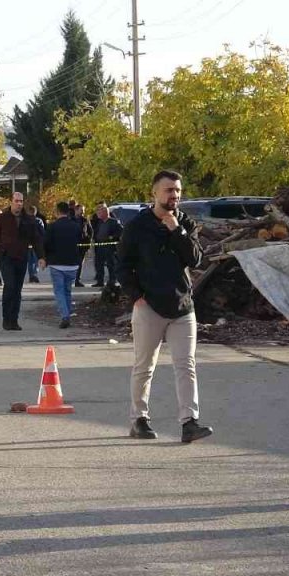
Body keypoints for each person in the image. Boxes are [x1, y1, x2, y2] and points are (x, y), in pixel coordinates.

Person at [118, 171, 213, 444]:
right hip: (149, 306)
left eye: (178, 190)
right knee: (145, 366)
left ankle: (189, 422)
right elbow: (123, 265)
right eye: (169, 190)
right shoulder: (137, 226)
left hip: (182, 306)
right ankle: (139, 420)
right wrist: (136, 295)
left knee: (187, 365)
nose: (175, 195)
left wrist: (176, 230)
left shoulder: (185, 223)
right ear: (155, 193)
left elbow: (194, 259)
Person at [0, 192, 44, 331]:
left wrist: (41, 257)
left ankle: (14, 320)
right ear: (11, 201)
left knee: (17, 290)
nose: (19, 203)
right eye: (16, 201)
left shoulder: (28, 219)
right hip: (6, 257)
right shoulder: (2, 218)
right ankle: (6, 319)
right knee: (10, 286)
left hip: (21, 257)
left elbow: (36, 240)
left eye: (21, 201)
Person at [44, 201, 83, 329]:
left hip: (57, 263)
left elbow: (46, 243)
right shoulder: (75, 226)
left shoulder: (52, 227)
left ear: (57, 211)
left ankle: (65, 315)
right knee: (67, 291)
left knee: (59, 291)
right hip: (72, 263)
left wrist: (44, 258)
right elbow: (81, 239)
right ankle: (67, 313)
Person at [93, 203, 123, 287]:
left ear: (105, 212)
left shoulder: (113, 222)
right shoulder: (99, 223)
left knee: (111, 264)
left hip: (109, 247)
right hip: (99, 246)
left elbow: (121, 232)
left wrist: (112, 237)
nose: (98, 214)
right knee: (99, 264)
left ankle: (112, 281)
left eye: (99, 212)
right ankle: (100, 281)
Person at [26, 204, 45, 283]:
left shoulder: (25, 221)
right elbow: (42, 231)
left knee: (30, 261)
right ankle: (34, 275)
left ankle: (31, 275)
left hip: (27, 243)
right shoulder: (38, 220)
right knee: (35, 260)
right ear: (35, 212)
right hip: (36, 243)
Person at [73, 203, 91, 287]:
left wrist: (88, 241)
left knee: (80, 263)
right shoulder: (71, 220)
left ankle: (77, 280)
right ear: (76, 210)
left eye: (83, 211)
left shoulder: (85, 220)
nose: (82, 212)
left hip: (83, 245)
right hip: (73, 245)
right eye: (81, 210)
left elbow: (91, 231)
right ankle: (70, 280)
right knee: (72, 263)